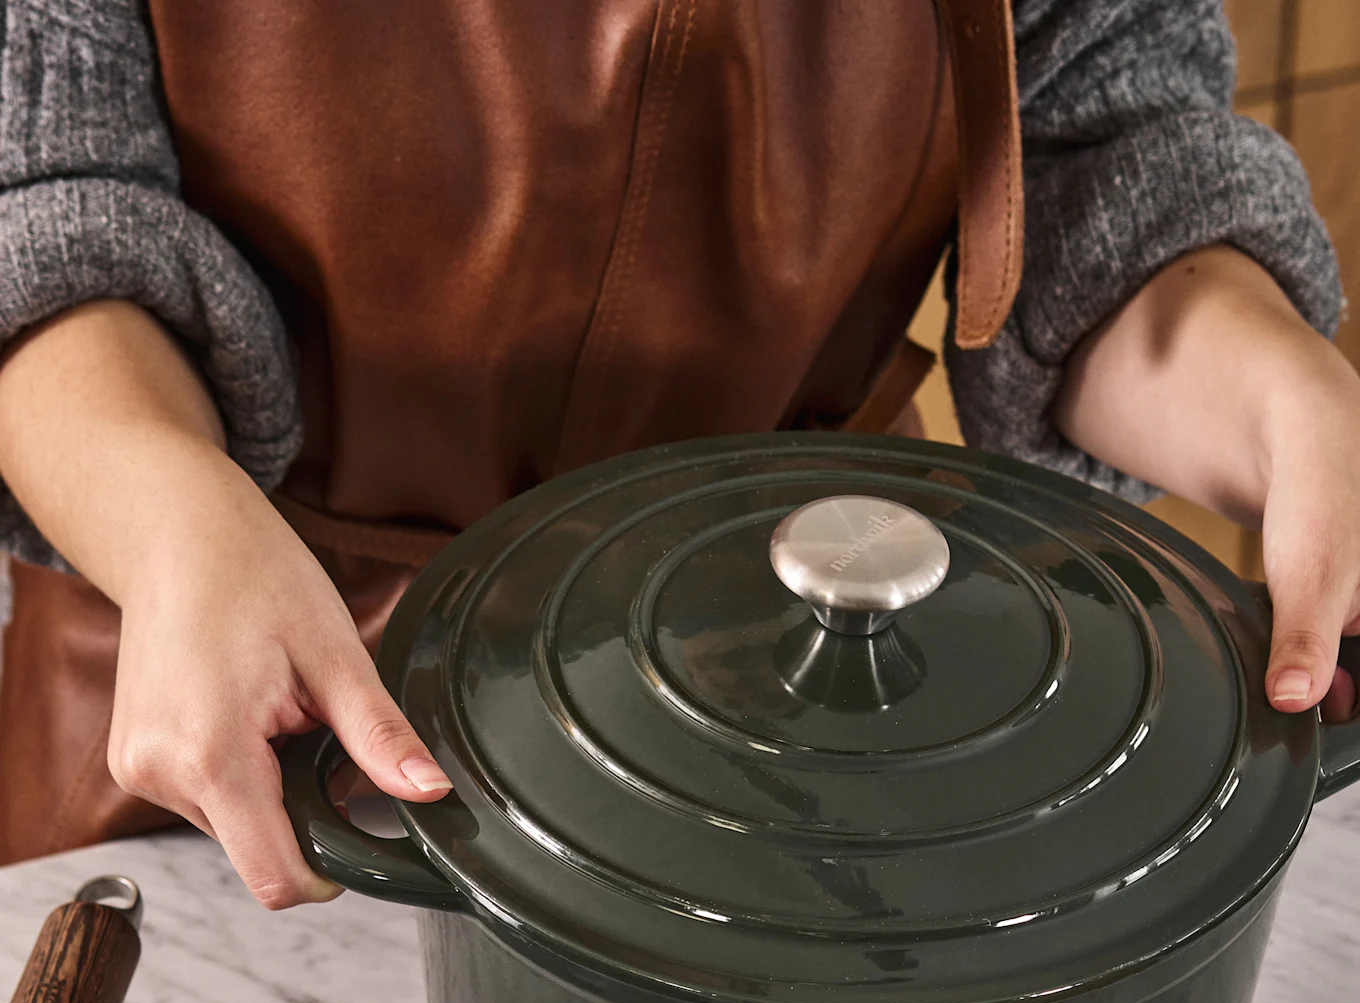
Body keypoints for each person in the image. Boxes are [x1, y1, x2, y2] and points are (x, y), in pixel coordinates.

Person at [0, 0, 1355, 909]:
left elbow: (1091, 171)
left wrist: (1290, 403)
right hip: (225, 728)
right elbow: (41, 214)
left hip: (785, 746)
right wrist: (176, 524)